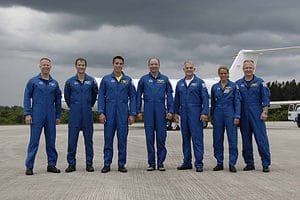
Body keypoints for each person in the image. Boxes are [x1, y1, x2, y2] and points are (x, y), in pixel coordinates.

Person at [98, 56, 137, 173]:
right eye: (117, 63)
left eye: (121, 64)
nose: (118, 65)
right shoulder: (106, 79)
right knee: (108, 140)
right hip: (109, 114)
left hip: (123, 114)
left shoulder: (128, 80)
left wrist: (132, 114)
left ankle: (121, 164)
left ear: (123, 65)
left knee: (122, 140)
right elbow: (101, 97)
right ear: (113, 64)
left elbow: (133, 97)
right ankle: (107, 164)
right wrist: (101, 112)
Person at [23, 58, 62, 175]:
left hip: (50, 115)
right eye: (43, 65)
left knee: (51, 141)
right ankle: (29, 166)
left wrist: (58, 115)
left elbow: (58, 101)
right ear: (40, 66)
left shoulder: (54, 83)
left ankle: (51, 164)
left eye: (47, 65)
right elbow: (26, 97)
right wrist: (27, 113)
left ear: (50, 67)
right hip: (36, 115)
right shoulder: (33, 81)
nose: (46, 67)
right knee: (34, 141)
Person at [136, 57, 173, 171]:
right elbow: (138, 96)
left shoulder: (165, 80)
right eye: (151, 64)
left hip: (161, 110)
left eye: (155, 64)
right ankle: (151, 163)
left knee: (161, 137)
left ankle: (161, 163)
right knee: (149, 138)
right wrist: (138, 111)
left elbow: (170, 96)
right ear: (148, 66)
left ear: (159, 65)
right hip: (148, 110)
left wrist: (170, 111)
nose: (153, 66)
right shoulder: (143, 79)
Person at [236, 60, 271, 172]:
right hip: (243, 115)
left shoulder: (260, 82)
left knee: (261, 139)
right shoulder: (238, 84)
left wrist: (265, 111)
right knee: (246, 141)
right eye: (246, 68)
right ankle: (249, 163)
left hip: (257, 114)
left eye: (250, 68)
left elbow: (265, 98)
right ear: (243, 69)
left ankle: (265, 163)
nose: (248, 70)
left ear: (253, 68)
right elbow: (236, 100)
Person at [173, 60, 209, 172]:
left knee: (197, 139)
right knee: (185, 139)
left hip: (196, 113)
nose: (189, 70)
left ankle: (199, 163)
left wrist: (204, 112)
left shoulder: (200, 83)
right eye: (187, 68)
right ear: (184, 69)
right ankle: (187, 162)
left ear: (194, 69)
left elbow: (205, 99)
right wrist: (175, 113)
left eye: (191, 68)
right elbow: (176, 100)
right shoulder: (180, 84)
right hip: (184, 113)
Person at [64, 58, 98, 173]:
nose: (81, 67)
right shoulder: (70, 82)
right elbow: (67, 98)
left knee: (89, 141)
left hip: (87, 114)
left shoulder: (91, 81)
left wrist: (88, 105)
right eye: (79, 65)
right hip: (74, 114)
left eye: (83, 65)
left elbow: (94, 96)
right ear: (76, 66)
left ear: (85, 66)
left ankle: (89, 164)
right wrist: (74, 106)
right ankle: (71, 164)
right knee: (72, 141)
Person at [210, 66, 241, 173]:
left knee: (232, 140)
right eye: (221, 74)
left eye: (225, 74)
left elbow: (237, 101)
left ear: (228, 74)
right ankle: (219, 162)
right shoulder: (215, 87)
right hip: (218, 113)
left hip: (230, 113)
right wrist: (212, 116)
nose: (223, 75)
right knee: (217, 140)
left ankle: (232, 163)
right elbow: (213, 103)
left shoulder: (234, 86)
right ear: (219, 74)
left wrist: (237, 116)